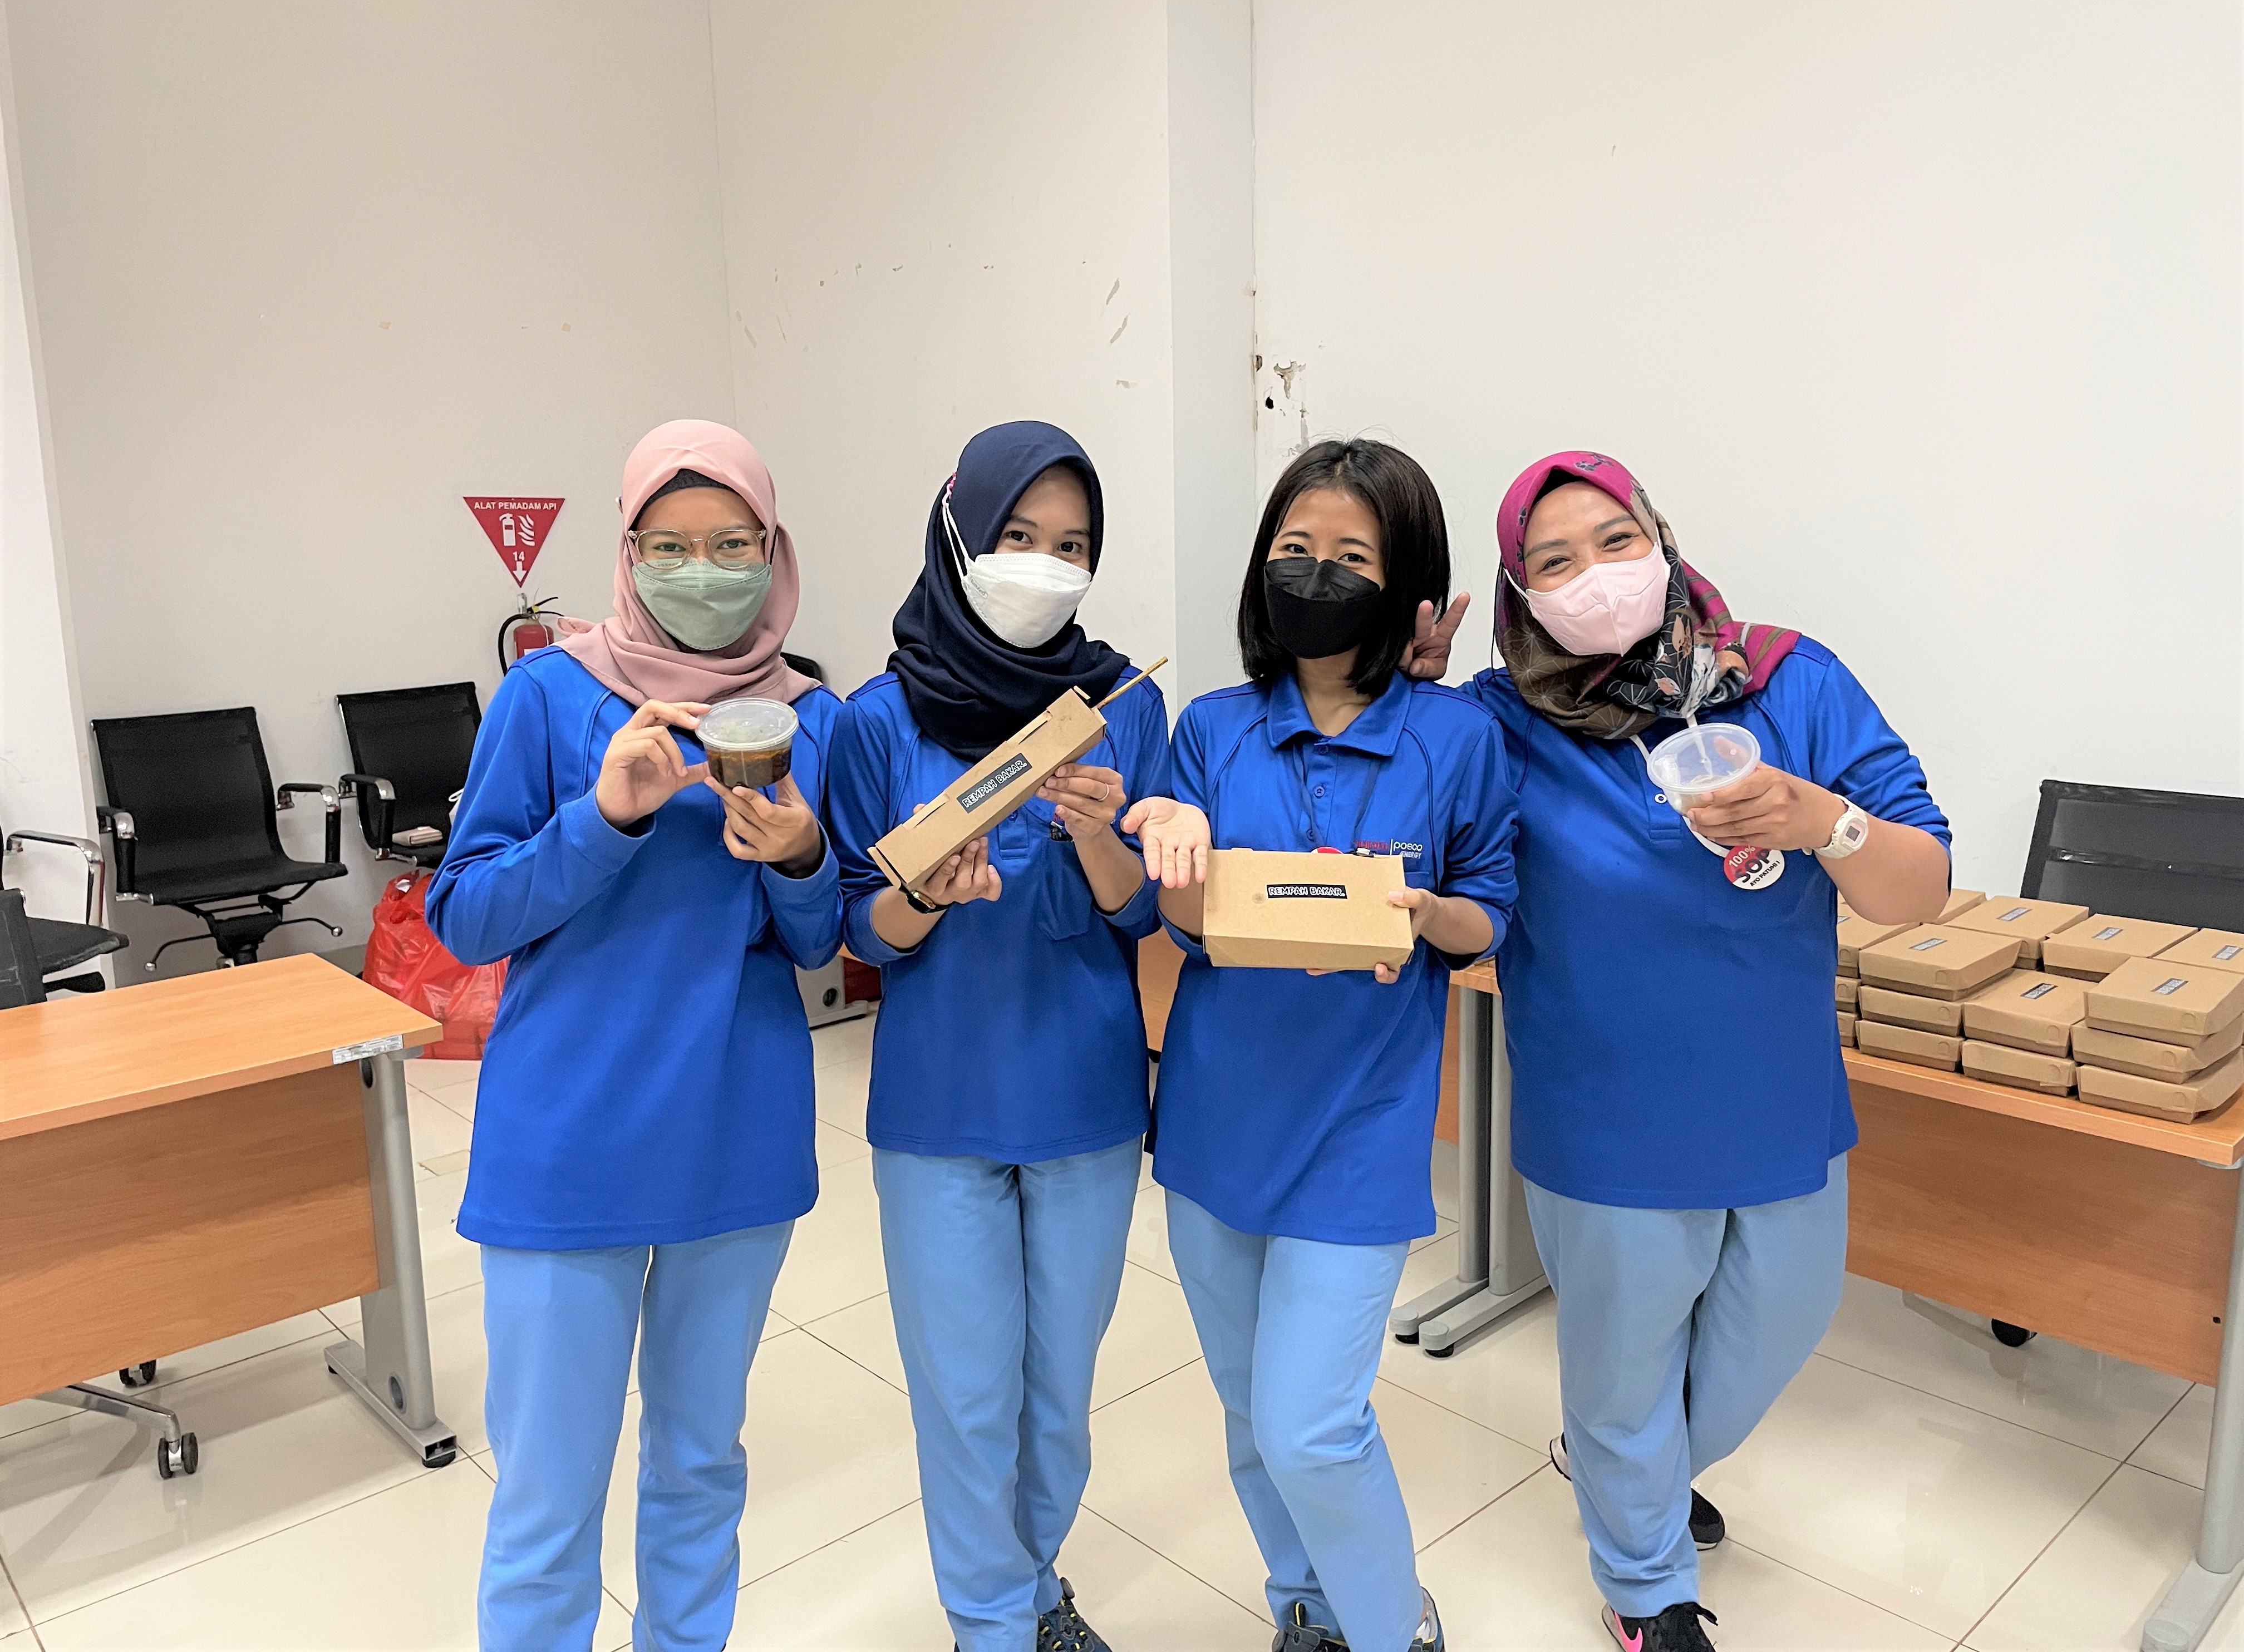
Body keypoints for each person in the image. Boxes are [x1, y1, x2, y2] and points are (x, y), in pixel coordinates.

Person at [1421, 450, 1950, 1652]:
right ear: (1519, 592)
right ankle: (1644, 1581)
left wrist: (1822, 820)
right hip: (1603, 1117)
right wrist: (1408, 688)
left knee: (1778, 1328)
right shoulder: (1499, 723)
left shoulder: (1788, 680)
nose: (1595, 576)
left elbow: (1918, 886)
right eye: (1553, 562)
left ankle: (1622, 1470)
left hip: (1778, 1099)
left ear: (1661, 539)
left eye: (1617, 541)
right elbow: (1391, 800)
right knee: (1622, 1363)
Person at [428, 420, 842, 1652]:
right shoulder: (550, 694)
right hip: (568, 1142)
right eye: (670, 545)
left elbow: (817, 943)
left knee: (701, 1465)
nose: (702, 570)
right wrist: (603, 818)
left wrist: (801, 857)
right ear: (627, 551)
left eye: (732, 545)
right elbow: (465, 913)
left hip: (736, 1131)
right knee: (549, 1494)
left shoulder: (806, 716)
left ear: (773, 552)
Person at [1121, 437, 1517, 1652]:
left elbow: (1488, 914)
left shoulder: (1454, 737)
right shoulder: (1212, 727)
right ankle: (1306, 1605)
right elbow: (1185, 924)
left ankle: (1393, 1626)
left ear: (1403, 584)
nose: (1316, 574)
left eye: (1352, 555)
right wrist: (1170, 839)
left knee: (1314, 1424)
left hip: (1361, 1124)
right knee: (1252, 1412)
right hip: (1216, 1118)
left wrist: (1428, 914)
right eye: (1294, 549)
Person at [825, 420, 1200, 1652]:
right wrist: (926, 893)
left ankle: (1032, 1582)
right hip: (939, 1108)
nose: (1045, 565)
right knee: (965, 1394)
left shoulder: (1121, 707)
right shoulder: (877, 719)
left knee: (1058, 1396)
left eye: (1073, 545)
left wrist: (1096, 831)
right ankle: (992, 1622)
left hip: (1085, 1096)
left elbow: (1140, 913)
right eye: (1018, 536)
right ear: (958, 539)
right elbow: (861, 932)